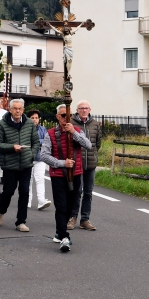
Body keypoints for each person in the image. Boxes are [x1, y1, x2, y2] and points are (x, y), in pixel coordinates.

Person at [40, 104, 92, 252]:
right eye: (63, 116)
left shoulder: (77, 131)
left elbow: (88, 145)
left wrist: (73, 133)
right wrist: (62, 163)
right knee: (61, 206)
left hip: (76, 174)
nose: (66, 118)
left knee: (71, 206)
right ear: (58, 117)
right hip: (58, 175)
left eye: (68, 116)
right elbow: (43, 155)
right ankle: (64, 236)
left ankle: (59, 231)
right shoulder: (50, 134)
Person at [0, 98, 39, 232]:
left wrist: (31, 154)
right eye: (15, 108)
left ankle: (21, 222)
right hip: (9, 165)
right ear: (10, 109)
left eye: (20, 108)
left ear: (23, 110)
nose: (17, 111)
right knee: (8, 192)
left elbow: (36, 142)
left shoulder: (30, 123)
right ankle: (1, 211)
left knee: (24, 192)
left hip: (26, 164)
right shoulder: (2, 124)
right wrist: (12, 147)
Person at [70, 100, 101, 231]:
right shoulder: (71, 123)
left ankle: (85, 219)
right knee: (77, 192)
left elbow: (97, 143)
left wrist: (93, 155)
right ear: (77, 110)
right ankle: (72, 217)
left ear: (90, 109)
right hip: (77, 163)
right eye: (81, 108)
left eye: (86, 108)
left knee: (88, 193)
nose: (84, 110)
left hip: (91, 164)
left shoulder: (95, 124)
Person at [27, 109, 51, 211]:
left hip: (40, 158)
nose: (34, 120)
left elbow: (46, 141)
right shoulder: (25, 128)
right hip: (27, 158)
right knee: (29, 180)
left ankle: (41, 200)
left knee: (40, 179)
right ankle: (27, 200)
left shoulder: (43, 129)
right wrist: (37, 141)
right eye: (32, 118)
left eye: (36, 118)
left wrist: (35, 141)